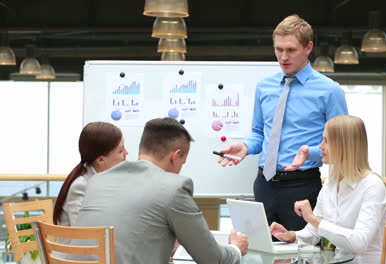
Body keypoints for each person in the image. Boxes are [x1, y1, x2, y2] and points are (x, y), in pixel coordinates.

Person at [218, 14, 348, 231]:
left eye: (291, 50)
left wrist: (309, 153)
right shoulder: (264, 86)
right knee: (261, 252)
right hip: (264, 185)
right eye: (278, 49)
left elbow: (342, 145)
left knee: (302, 254)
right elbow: (259, 133)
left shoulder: (330, 91)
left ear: (308, 48)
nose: (283, 57)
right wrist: (245, 146)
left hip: (303, 185)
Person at [75, 117, 248, 264]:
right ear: (175, 155)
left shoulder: (97, 180)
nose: (180, 168)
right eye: (182, 162)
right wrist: (236, 248)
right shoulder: (173, 188)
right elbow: (212, 259)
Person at [270, 115, 386, 263]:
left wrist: (313, 219)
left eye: (326, 140)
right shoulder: (330, 184)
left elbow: (359, 243)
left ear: (344, 145)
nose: (320, 146)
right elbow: (313, 232)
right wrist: (292, 236)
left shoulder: (372, 185)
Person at [53, 122, 128, 226]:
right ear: (101, 160)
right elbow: (84, 233)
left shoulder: (104, 180)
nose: (126, 153)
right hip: (82, 241)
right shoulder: (81, 186)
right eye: (120, 151)